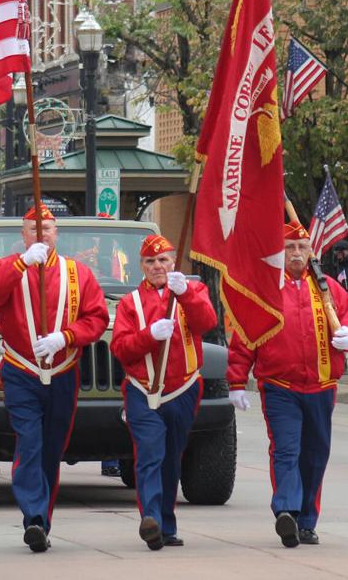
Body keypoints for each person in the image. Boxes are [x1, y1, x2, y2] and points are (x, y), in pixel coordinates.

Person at [0, 204, 109, 553]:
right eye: (34, 229)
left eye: (47, 228)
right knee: (30, 443)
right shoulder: (7, 267)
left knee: (52, 450)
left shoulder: (78, 273)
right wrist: (22, 263)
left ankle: (42, 521)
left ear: (57, 233)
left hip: (63, 372)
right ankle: (32, 516)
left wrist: (66, 337)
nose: (41, 234)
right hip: (21, 372)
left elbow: (97, 318)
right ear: (23, 235)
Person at [227, 221, 348, 549]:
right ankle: (286, 509)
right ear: (280, 252)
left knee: (315, 455)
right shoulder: (266, 290)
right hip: (279, 384)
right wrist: (236, 380)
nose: (297, 253)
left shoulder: (328, 289)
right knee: (286, 450)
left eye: (302, 247)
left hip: (321, 385)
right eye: (290, 247)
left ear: (311, 251)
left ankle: (306, 522)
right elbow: (245, 337)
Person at [110, 234, 217, 550]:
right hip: (144, 391)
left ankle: (167, 525)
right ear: (141, 267)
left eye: (163, 260)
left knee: (172, 458)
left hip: (182, 389)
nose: (157, 266)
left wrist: (186, 296)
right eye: (150, 262)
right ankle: (151, 518)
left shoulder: (192, 291)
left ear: (174, 262)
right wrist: (149, 336)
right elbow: (121, 349)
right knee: (149, 454)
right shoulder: (130, 304)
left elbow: (206, 322)